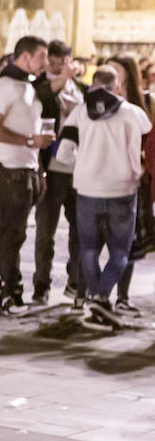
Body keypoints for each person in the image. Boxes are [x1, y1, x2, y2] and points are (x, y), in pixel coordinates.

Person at [57, 66, 152, 327]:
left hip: (87, 189)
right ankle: (101, 297)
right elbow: (148, 149)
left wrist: (85, 164)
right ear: (118, 86)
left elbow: (63, 153)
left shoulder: (79, 112)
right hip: (123, 189)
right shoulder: (135, 113)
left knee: (88, 248)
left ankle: (96, 299)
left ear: (93, 85)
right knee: (120, 251)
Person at [0, 35, 50, 312]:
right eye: (42, 56)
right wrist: (29, 141)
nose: (45, 62)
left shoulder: (26, 85)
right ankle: (11, 293)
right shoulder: (6, 85)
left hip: (25, 170)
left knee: (6, 229)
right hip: (10, 172)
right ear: (26, 56)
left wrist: (37, 163)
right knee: (13, 234)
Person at [32, 40, 87, 305]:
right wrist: (63, 77)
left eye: (60, 62)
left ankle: (75, 283)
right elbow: (44, 95)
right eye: (50, 63)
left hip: (79, 170)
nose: (54, 67)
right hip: (51, 170)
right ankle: (41, 285)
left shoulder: (81, 89)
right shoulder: (40, 85)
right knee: (46, 230)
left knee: (80, 229)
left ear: (68, 59)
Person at [106, 54, 153, 315]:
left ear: (128, 74)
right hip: (102, 179)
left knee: (127, 241)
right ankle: (93, 295)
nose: (111, 73)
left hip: (133, 180)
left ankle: (122, 296)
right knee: (95, 241)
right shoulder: (98, 100)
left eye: (116, 70)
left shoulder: (146, 101)